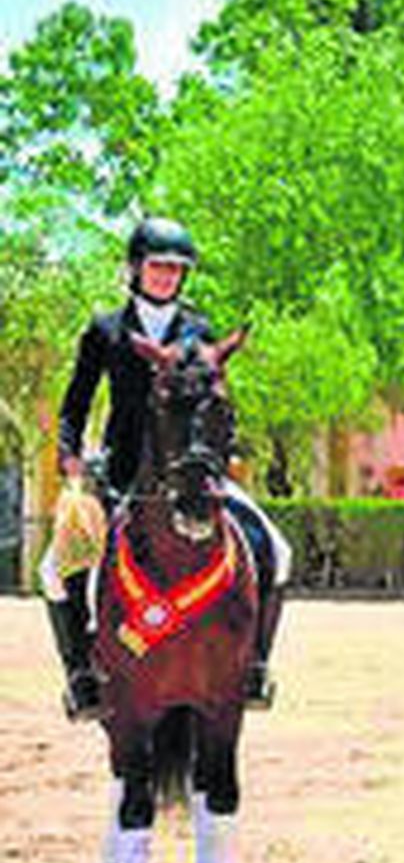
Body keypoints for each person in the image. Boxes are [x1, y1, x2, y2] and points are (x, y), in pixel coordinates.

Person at [42, 217, 291, 721]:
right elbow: (76, 403)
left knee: (277, 551)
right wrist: (69, 454)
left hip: (194, 472)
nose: (166, 277)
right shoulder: (105, 330)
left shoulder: (199, 330)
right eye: (157, 267)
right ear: (137, 268)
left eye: (175, 269)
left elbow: (214, 400)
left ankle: (254, 667)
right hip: (120, 470)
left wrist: (224, 450)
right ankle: (82, 678)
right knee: (55, 567)